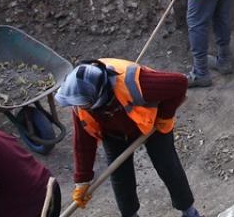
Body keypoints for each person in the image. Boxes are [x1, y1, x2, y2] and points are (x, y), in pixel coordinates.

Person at [56, 59, 200, 217]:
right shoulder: (81, 104)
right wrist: (82, 180)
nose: (77, 107)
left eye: (82, 104)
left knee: (168, 166)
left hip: (152, 123)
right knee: (120, 178)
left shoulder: (137, 84)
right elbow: (83, 143)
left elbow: (179, 83)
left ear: (98, 98)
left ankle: (189, 212)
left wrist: (165, 116)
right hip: (113, 133)